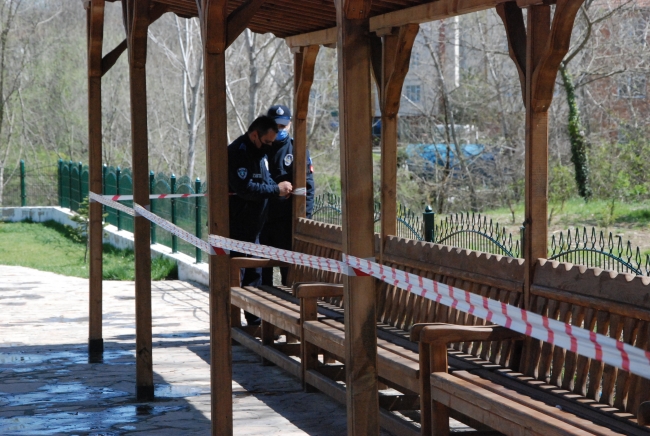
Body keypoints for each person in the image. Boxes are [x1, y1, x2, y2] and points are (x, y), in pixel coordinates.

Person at [228, 115, 292, 325]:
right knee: (238, 278)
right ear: (254, 135)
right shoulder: (238, 153)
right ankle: (236, 323)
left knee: (254, 278)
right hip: (237, 229)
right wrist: (276, 190)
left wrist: (278, 186)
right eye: (266, 142)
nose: (269, 147)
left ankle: (255, 322)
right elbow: (245, 188)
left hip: (256, 228)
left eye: (272, 143)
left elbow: (263, 180)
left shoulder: (260, 153)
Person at [260, 104, 315, 286]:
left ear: (290, 125)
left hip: (286, 224)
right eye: (276, 126)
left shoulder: (297, 151)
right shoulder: (259, 149)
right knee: (261, 276)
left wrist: (304, 219)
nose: (280, 130)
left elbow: (308, 188)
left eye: (284, 126)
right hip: (262, 223)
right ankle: (260, 315)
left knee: (290, 276)